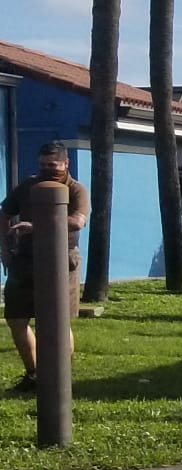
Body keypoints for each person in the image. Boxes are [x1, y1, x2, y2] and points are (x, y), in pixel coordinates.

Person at [0, 142, 89, 391]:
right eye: (42, 165)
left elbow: (78, 222)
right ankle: (34, 375)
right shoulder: (28, 186)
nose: (46, 170)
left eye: (52, 166)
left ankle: (58, 379)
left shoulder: (76, 190)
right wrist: (5, 250)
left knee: (58, 322)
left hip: (62, 260)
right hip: (25, 260)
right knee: (16, 319)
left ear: (65, 163)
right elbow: (4, 213)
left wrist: (36, 226)